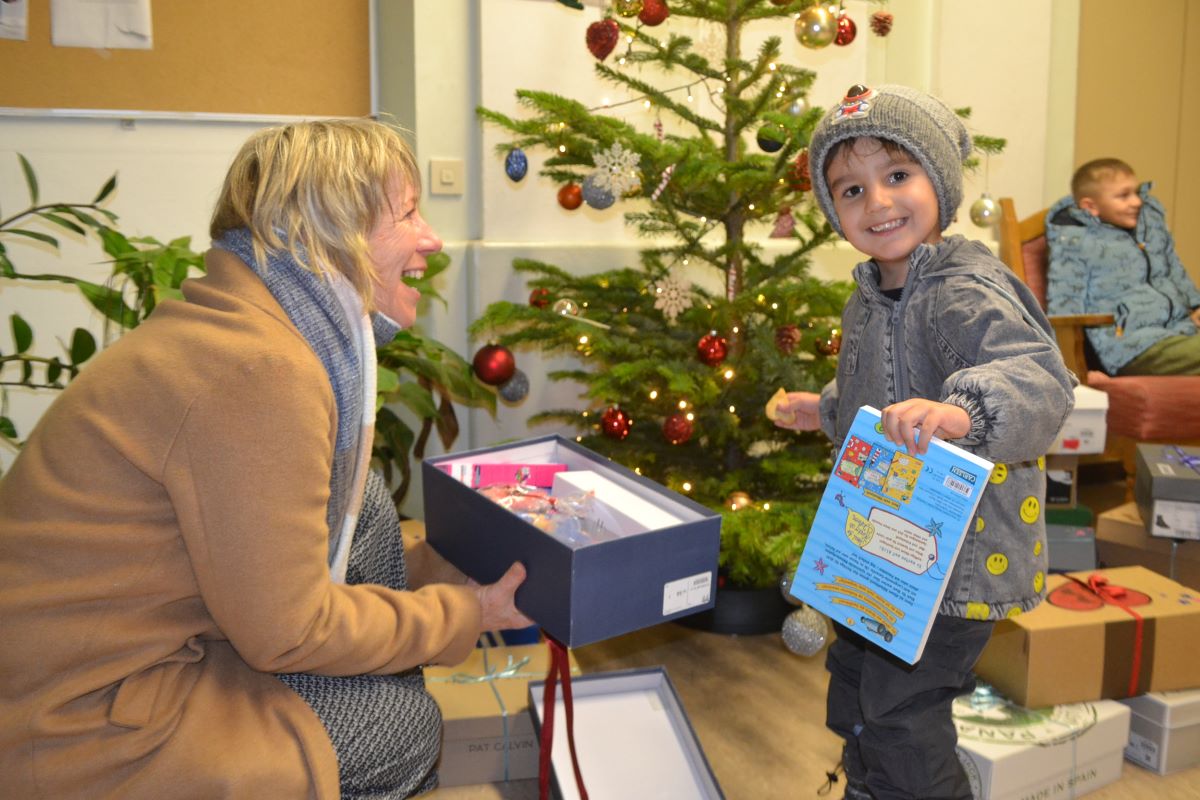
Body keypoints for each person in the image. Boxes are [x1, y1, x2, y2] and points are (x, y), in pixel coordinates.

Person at [0, 119, 533, 799]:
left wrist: (440, 573)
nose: (431, 238)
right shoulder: (261, 370)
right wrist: (468, 614)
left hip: (101, 658)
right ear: (329, 234)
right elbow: (289, 632)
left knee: (362, 500)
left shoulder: (248, 326)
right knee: (402, 728)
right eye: (407, 213)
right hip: (81, 720)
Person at [772, 85, 1075, 800]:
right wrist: (824, 410)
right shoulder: (870, 293)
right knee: (856, 689)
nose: (877, 203)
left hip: (956, 559)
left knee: (902, 712)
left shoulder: (965, 289)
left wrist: (961, 414)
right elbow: (877, 404)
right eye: (851, 189)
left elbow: (1042, 384)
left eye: (898, 177)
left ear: (938, 181)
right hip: (885, 553)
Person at [1045, 157, 1200, 376]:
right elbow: (1063, 308)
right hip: (1130, 346)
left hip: (1179, 331)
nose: (1137, 202)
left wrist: (1195, 305)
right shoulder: (1075, 242)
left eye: (1136, 192)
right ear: (1091, 206)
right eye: (1123, 196)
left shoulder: (1150, 227)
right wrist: (1069, 369)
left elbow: (1173, 270)